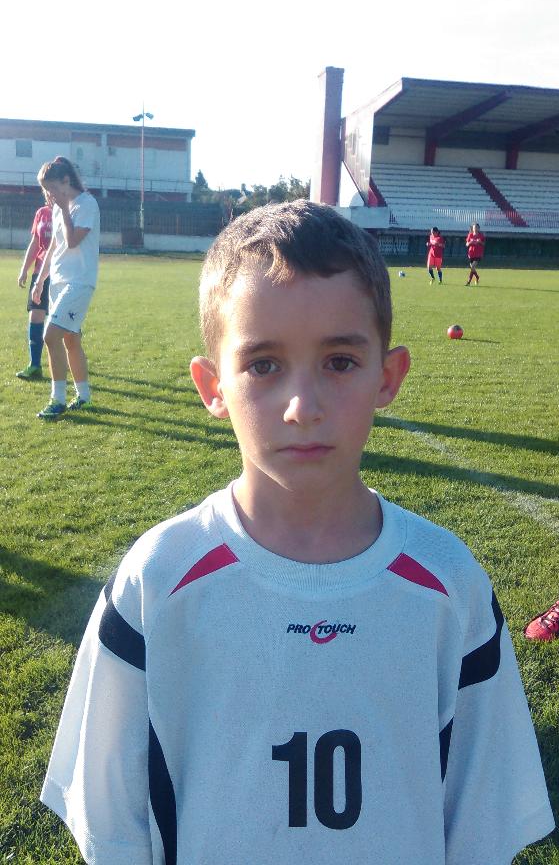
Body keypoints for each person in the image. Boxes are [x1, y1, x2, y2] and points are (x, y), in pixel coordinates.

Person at [40, 201, 554, 864]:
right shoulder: (157, 580)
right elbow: (114, 831)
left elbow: (480, 830)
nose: (302, 407)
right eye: (263, 365)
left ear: (387, 377)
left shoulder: (448, 585)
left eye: (339, 362)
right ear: (212, 386)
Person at [32, 156, 100, 420]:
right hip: (59, 281)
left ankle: (57, 400)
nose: (49, 194)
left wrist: (64, 209)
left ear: (66, 180)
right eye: (46, 189)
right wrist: (40, 280)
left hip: (79, 282)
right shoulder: (59, 208)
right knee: (71, 339)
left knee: (50, 336)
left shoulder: (86, 204)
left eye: (51, 187)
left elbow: (72, 241)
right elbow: (55, 247)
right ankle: (84, 397)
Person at [16, 193, 53, 379]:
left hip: (62, 273)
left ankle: (72, 358)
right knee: (35, 315)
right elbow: (35, 243)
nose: (50, 192)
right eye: (47, 189)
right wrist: (24, 269)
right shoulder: (42, 213)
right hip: (40, 273)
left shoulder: (70, 211)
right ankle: (35, 365)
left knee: (63, 322)